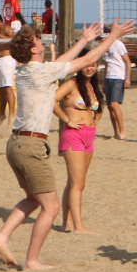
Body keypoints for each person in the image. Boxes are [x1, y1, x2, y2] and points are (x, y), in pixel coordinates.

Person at [0, 17, 135, 270]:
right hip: (31, 146)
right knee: (51, 206)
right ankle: (32, 260)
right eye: (37, 38)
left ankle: (2, 238)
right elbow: (86, 61)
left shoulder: (28, 70)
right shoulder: (41, 72)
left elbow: (62, 62)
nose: (41, 39)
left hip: (16, 145)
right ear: (33, 48)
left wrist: (86, 40)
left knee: (33, 200)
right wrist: (113, 37)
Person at [53, 48, 104, 233]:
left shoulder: (93, 86)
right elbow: (52, 100)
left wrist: (95, 122)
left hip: (88, 136)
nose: (90, 67)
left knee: (75, 181)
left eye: (93, 64)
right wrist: (67, 120)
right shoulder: (71, 84)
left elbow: (99, 108)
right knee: (78, 184)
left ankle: (67, 223)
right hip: (73, 135)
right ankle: (78, 225)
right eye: (87, 63)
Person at [102, 36, 132, 140]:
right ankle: (116, 133)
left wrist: (127, 78)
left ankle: (122, 131)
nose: (100, 40)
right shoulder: (103, 47)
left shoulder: (118, 44)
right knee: (110, 107)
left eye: (101, 38)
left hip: (118, 77)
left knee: (114, 104)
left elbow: (128, 61)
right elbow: (106, 64)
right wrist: (104, 82)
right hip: (108, 78)